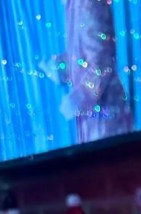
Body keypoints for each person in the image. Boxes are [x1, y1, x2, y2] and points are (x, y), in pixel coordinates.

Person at [41, 0, 132, 143]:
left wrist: (78, 98)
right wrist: (60, 67)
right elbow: (83, 57)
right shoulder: (74, 5)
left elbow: (101, 66)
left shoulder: (88, 4)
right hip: (97, 119)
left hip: (106, 121)